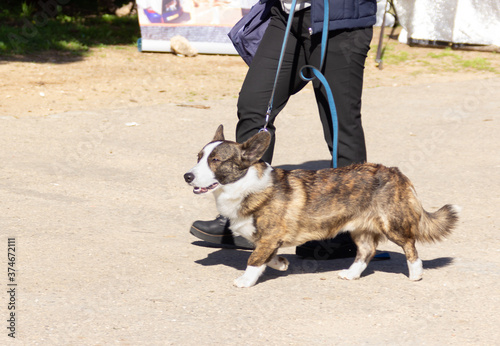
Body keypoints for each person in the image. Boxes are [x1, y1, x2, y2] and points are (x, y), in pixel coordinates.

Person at [189, 0, 377, 259]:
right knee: (254, 105)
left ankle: (348, 230)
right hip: (286, 17)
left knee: (340, 123)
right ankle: (249, 214)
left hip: (339, 20)